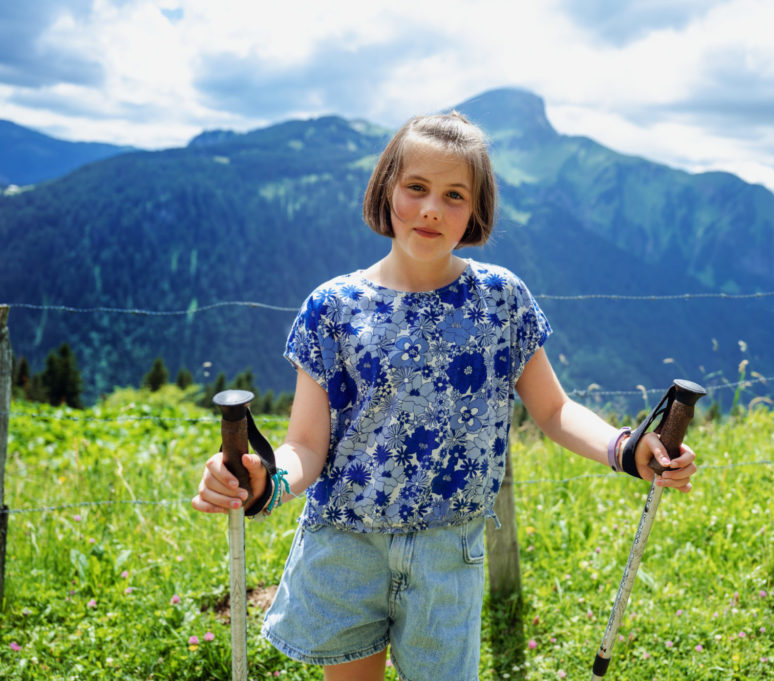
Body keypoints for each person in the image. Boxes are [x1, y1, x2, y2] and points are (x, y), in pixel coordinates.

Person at [192, 111, 698, 681]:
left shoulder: (501, 299)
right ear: (386, 191)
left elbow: (554, 410)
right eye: (416, 187)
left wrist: (626, 447)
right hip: (345, 547)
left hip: (447, 553)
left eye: (454, 195)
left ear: (475, 211)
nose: (432, 208)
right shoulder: (331, 307)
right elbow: (306, 445)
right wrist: (266, 480)